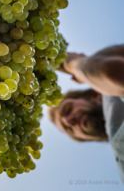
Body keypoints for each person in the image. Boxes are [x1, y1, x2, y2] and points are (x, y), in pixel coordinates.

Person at [49, 44, 124, 181]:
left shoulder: (111, 101)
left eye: (68, 109)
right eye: (69, 130)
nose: (68, 121)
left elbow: (115, 73)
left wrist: (71, 64)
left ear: (94, 95)